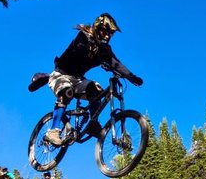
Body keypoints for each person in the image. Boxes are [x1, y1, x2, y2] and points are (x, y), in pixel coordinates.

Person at [44, 13, 143, 146]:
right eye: (105, 32)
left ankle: (93, 124)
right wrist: (97, 55)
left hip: (78, 80)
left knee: (96, 90)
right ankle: (53, 131)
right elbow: (79, 48)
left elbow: (116, 64)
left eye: (110, 34)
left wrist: (132, 77)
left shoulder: (104, 49)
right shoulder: (83, 36)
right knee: (66, 92)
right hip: (60, 75)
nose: (107, 36)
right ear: (97, 28)